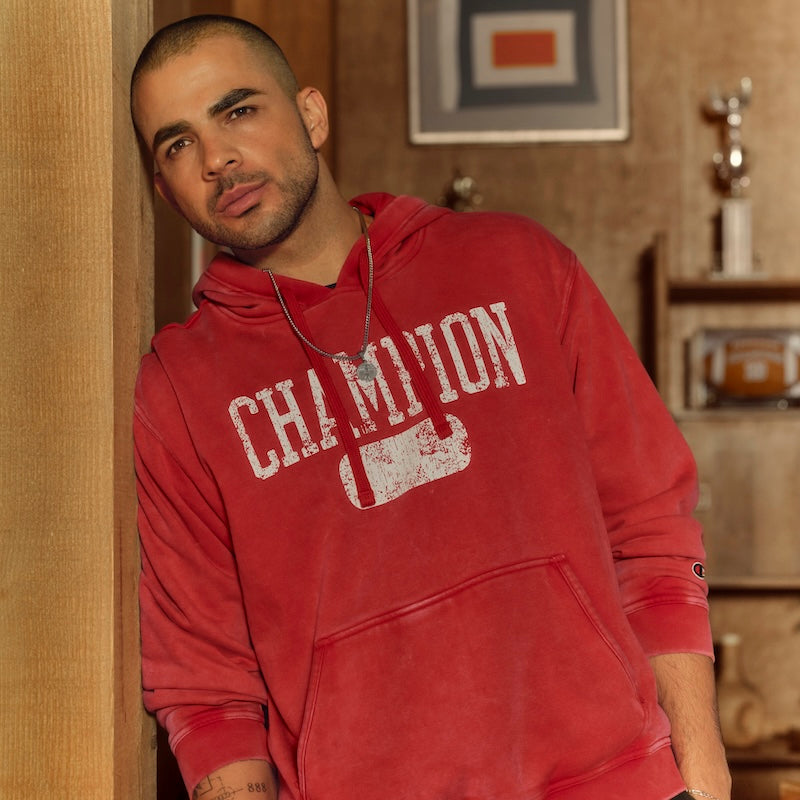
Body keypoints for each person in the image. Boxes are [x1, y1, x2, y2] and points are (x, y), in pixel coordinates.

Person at [130, 15, 731, 800]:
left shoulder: (515, 263)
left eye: (238, 110)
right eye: (177, 144)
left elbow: (649, 535)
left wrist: (705, 778)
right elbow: (209, 692)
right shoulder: (178, 391)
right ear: (161, 186)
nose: (217, 160)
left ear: (310, 113)